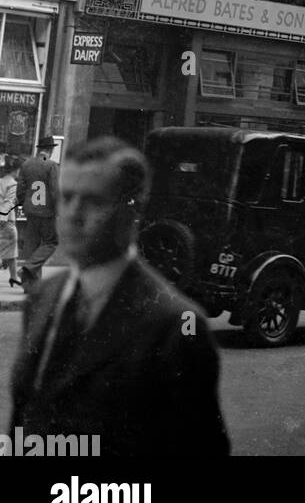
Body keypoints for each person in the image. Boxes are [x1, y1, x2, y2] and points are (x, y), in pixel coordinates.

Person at [9, 135, 229, 456]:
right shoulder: (43, 297)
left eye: (93, 201)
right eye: (67, 197)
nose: (73, 213)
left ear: (132, 211)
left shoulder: (172, 324)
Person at [17, 135, 59, 289]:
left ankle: (30, 287)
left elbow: (20, 189)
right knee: (51, 242)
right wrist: (57, 209)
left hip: (30, 211)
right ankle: (28, 268)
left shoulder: (26, 165)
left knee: (32, 246)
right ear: (50, 150)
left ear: (39, 149)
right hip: (46, 212)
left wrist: (24, 204)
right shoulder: (51, 165)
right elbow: (55, 191)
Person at [0, 158, 20, 287]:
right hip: (6, 222)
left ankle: (14, 276)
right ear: (16, 170)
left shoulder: (0, 181)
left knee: (11, 252)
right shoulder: (12, 184)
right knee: (11, 250)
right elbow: (9, 202)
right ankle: (14, 277)